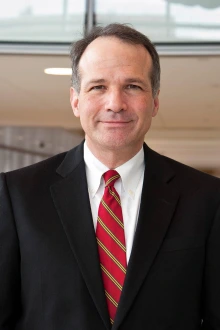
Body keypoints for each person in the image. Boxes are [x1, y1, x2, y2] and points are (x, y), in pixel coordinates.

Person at [0, 23, 220, 330]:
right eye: (98, 87)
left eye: (133, 86)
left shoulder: (207, 198)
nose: (115, 103)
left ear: (155, 101)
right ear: (75, 100)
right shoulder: (16, 194)